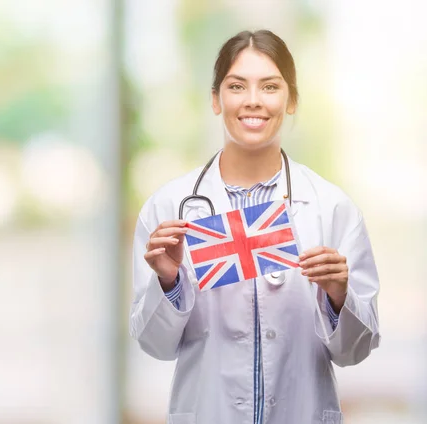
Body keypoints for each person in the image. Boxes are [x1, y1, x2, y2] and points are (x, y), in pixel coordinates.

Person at [129, 30, 380, 424]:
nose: (253, 100)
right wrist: (169, 283)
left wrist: (337, 297)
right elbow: (155, 345)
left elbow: (355, 351)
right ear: (216, 100)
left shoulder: (331, 208)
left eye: (269, 86)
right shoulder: (170, 208)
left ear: (291, 99)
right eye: (236, 86)